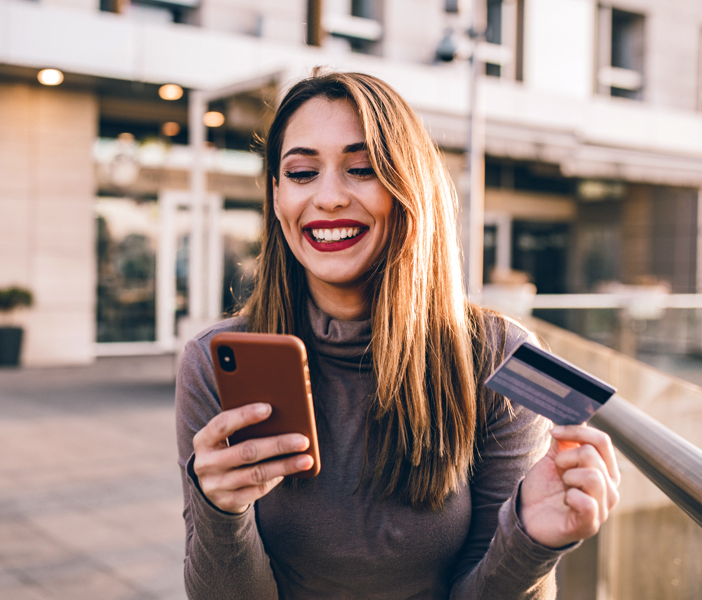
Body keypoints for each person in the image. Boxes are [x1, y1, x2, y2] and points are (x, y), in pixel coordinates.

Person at [175, 71, 620, 599]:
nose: (329, 197)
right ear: (276, 195)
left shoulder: (498, 356)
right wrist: (220, 511)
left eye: (361, 169)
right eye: (301, 173)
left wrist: (532, 542)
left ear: (407, 185)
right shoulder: (212, 364)